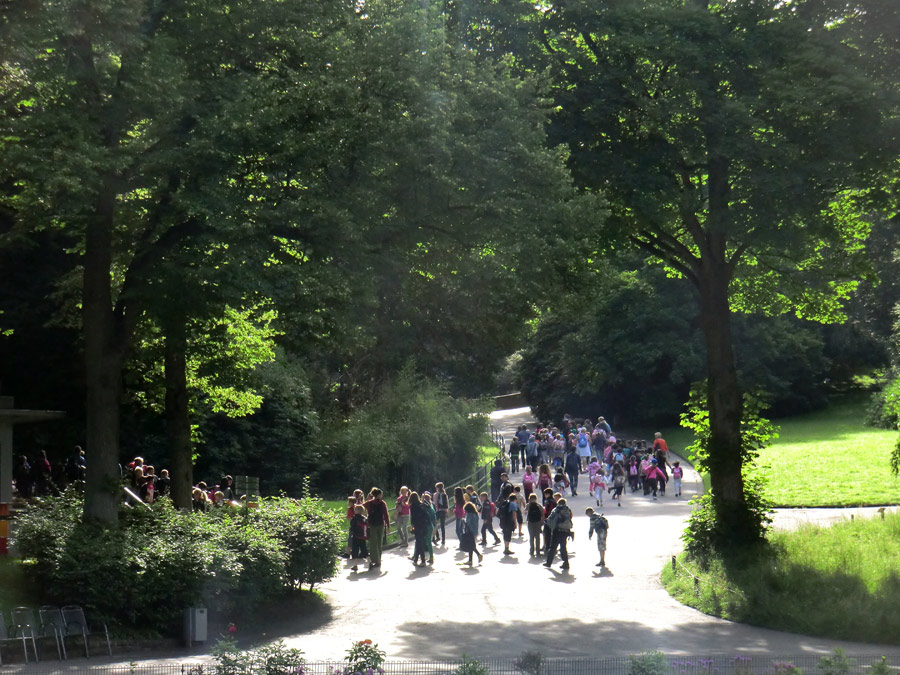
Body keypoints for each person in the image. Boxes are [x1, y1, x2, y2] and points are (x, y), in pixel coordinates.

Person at [543, 497, 573, 570]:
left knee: (553, 547)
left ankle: (548, 563)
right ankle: (566, 563)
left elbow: (550, 519)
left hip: (557, 530)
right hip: (565, 531)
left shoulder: (556, 509)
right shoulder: (568, 510)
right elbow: (570, 518)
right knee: (563, 547)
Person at [364, 487, 390, 568]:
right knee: (379, 542)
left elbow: (361, 506)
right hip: (380, 524)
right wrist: (388, 526)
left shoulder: (369, 503)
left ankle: (374, 560)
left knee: (373, 543)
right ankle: (378, 560)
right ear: (378, 495)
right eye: (381, 494)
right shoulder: (382, 503)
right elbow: (386, 515)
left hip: (372, 524)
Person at [459, 501, 483, 566]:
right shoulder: (475, 514)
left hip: (470, 532)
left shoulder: (470, 515)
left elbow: (469, 523)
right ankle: (470, 560)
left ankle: (478, 555)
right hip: (473, 532)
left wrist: (464, 521)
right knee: (471, 545)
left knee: (471, 546)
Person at [409, 492, 429, 566]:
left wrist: (412, 526)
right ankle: (416, 560)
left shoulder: (412, 506)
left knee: (419, 543)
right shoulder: (422, 505)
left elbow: (413, 518)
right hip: (424, 525)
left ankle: (423, 560)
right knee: (419, 542)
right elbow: (427, 513)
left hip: (417, 525)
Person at [497, 484, 517, 555]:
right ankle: (507, 548)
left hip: (503, 521)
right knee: (508, 535)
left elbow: (498, 513)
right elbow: (514, 514)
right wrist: (515, 523)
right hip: (509, 522)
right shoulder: (512, 504)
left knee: (505, 534)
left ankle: (505, 547)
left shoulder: (503, 503)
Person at [349, 505, 369, 571]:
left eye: (355, 510)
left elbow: (352, 528)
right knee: (364, 550)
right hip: (362, 537)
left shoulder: (354, 518)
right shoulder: (364, 518)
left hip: (356, 537)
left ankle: (355, 565)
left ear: (357, 511)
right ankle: (370, 562)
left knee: (355, 551)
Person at [421, 491, 437, 564]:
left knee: (420, 541)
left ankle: (418, 557)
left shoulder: (424, 507)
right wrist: (435, 527)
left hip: (425, 526)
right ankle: (431, 557)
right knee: (429, 542)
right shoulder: (431, 507)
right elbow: (434, 518)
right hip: (430, 526)